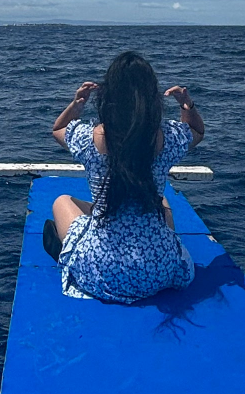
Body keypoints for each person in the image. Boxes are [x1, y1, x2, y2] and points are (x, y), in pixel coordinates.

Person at [46, 50, 205, 303]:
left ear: (108, 97)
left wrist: (77, 104)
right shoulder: (166, 137)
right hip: (161, 271)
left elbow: (58, 129)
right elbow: (196, 131)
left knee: (62, 201)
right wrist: (187, 106)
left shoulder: (91, 138)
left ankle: (73, 243)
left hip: (103, 272)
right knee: (161, 203)